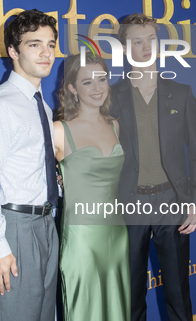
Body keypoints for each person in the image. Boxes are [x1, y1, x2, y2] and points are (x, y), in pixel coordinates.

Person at [110, 14, 196, 321]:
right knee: (131, 295)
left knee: (179, 294)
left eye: (151, 39)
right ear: (125, 48)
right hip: (129, 205)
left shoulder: (181, 93)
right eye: (137, 41)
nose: (145, 47)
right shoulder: (110, 98)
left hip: (173, 203)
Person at [0, 9, 59, 321]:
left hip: (47, 225)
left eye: (50, 44)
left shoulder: (41, 106)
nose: (46, 52)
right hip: (15, 229)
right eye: (35, 44)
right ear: (13, 50)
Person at [53, 52, 130, 321]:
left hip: (116, 234)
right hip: (81, 238)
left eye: (102, 79)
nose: (97, 88)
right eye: (87, 82)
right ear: (72, 88)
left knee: (116, 307)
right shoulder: (59, 131)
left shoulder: (114, 125)